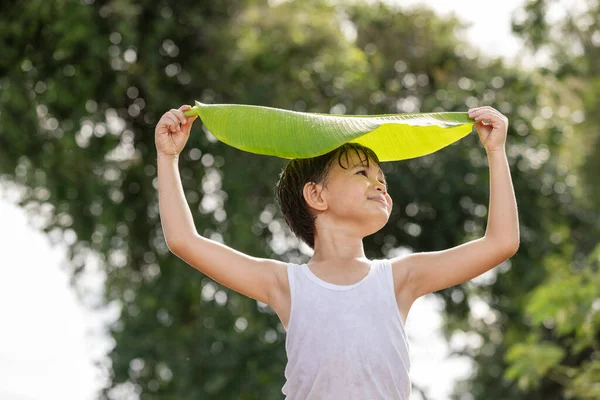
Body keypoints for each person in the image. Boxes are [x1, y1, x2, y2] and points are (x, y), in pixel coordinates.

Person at [155, 104, 520, 399]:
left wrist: (496, 151)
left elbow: (501, 243)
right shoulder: (285, 284)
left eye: (382, 177)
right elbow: (183, 240)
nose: (378, 182)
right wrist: (168, 158)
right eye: (362, 172)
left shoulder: (401, 279)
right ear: (316, 195)